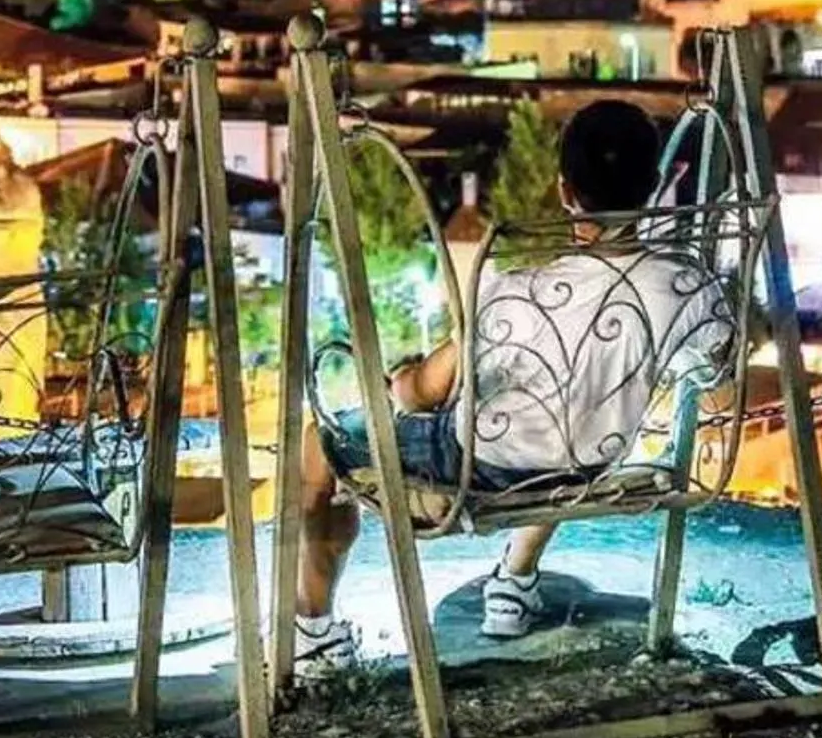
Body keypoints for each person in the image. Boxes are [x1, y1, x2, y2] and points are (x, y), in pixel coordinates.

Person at [291, 99, 731, 677]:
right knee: (564, 420)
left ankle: (314, 632)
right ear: (651, 185)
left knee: (321, 441)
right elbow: (716, 374)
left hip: (477, 466)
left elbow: (418, 396)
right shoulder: (686, 284)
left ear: (565, 190)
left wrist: (401, 378)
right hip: (586, 464)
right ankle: (513, 584)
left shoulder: (515, 291)